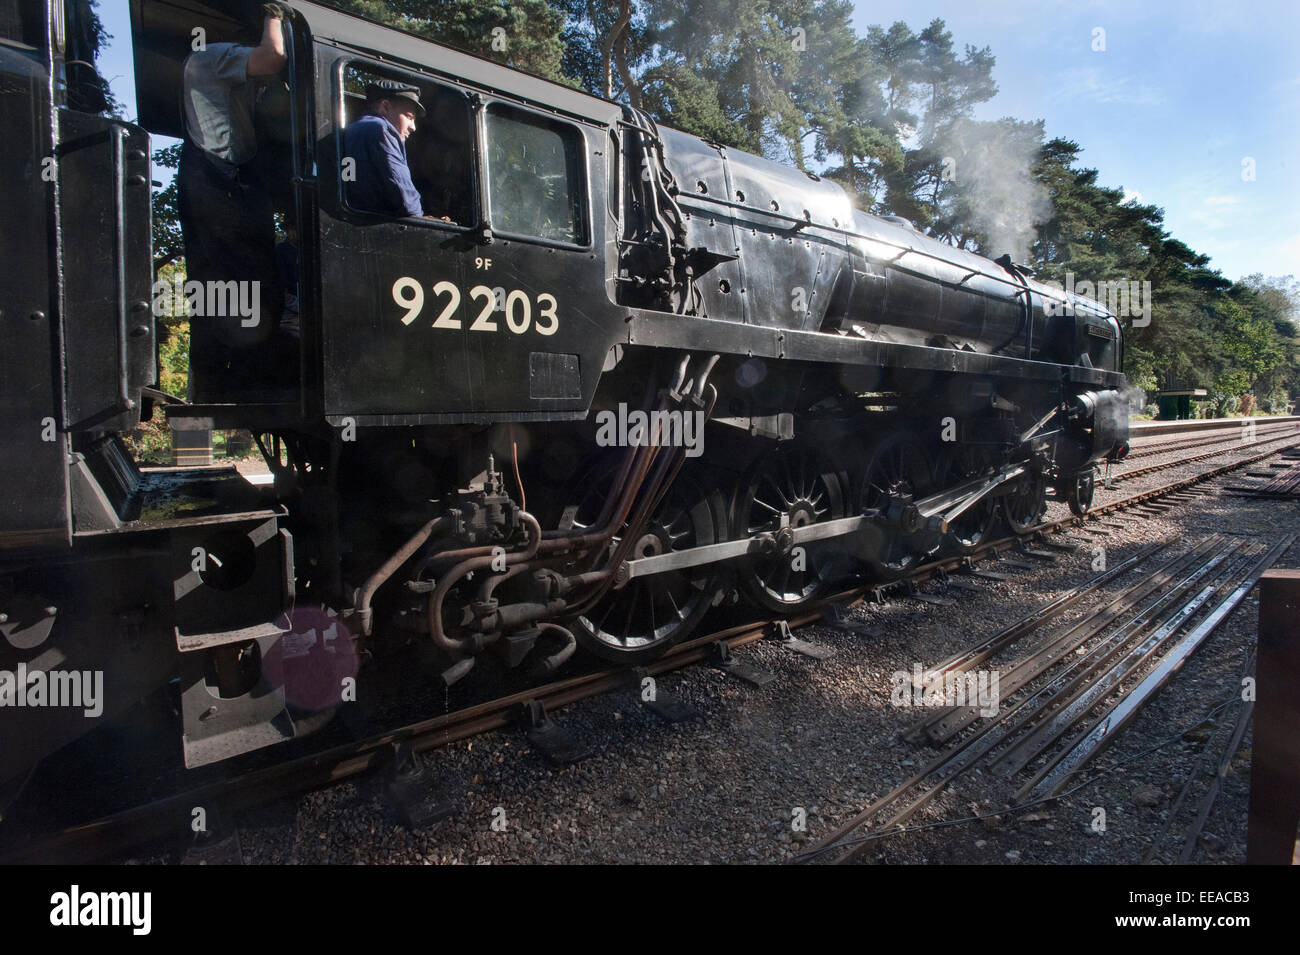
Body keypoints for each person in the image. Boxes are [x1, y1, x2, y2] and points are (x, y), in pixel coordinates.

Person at [177, 3, 288, 402]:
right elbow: (273, 57)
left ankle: (229, 377)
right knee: (242, 279)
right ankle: (244, 378)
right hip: (221, 177)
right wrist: (276, 12)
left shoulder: (213, 66)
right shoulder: (213, 56)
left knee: (228, 280)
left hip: (222, 178)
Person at [342, 81, 428, 218]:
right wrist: (422, 219)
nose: (413, 127)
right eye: (409, 117)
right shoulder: (382, 129)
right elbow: (406, 199)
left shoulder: (352, 130)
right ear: (385, 107)